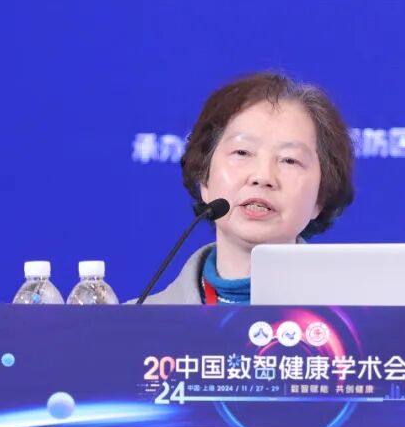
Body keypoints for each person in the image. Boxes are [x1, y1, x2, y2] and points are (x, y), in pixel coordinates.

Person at [140, 71, 355, 304]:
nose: (262, 177)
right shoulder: (136, 321)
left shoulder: (360, 318)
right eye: (242, 152)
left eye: (289, 160)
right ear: (204, 178)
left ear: (320, 197)